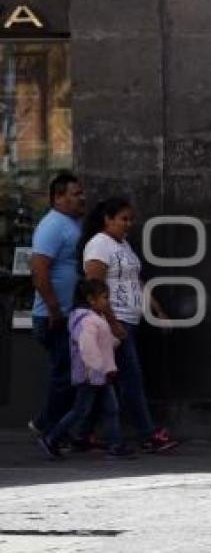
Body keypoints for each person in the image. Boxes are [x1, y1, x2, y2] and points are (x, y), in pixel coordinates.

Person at [80, 197, 178, 453]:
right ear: (108, 219)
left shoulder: (123, 245)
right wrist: (112, 323)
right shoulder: (99, 246)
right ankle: (147, 433)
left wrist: (157, 310)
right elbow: (94, 288)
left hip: (129, 320)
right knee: (131, 378)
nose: (129, 224)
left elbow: (137, 282)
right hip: (114, 322)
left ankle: (82, 432)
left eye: (130, 219)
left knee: (103, 381)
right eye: (123, 219)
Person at [37, 279, 133, 459]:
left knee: (110, 409)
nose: (108, 302)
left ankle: (115, 445)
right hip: (92, 375)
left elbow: (102, 343)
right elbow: (88, 347)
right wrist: (100, 368)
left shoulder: (94, 319)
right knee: (81, 410)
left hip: (100, 375)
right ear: (91, 299)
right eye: (105, 297)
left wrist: (116, 341)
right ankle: (51, 438)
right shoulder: (88, 321)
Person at [29, 171, 86, 437]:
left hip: (67, 313)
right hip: (53, 316)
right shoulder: (52, 226)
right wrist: (54, 310)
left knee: (69, 375)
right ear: (58, 197)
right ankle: (47, 427)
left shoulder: (71, 224)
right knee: (64, 376)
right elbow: (40, 271)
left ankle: (52, 427)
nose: (81, 198)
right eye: (76, 194)